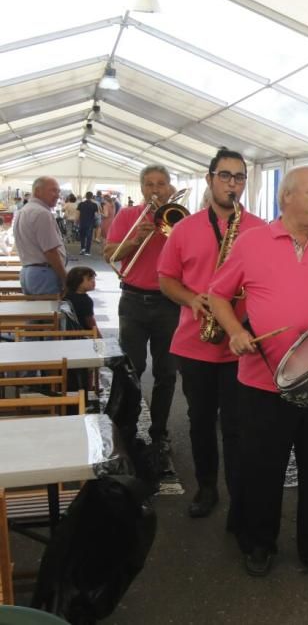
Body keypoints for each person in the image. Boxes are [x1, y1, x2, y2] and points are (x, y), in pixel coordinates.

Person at [207, 165, 308, 579]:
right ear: (287, 197)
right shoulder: (252, 242)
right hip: (262, 383)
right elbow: (218, 294)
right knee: (263, 468)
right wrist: (233, 332)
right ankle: (259, 544)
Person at [158, 149, 267, 523]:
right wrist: (192, 299)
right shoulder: (184, 228)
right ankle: (207, 487)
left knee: (238, 426)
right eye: (225, 176)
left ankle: (240, 495)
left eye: (239, 177)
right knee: (200, 420)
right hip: (195, 342)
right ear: (209, 179)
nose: (232, 184)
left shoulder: (260, 229)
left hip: (243, 344)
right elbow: (166, 279)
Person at [105, 166, 181, 464]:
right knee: (132, 368)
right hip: (133, 300)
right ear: (141, 188)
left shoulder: (178, 217)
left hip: (168, 302)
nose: (155, 189)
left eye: (161, 184)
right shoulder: (127, 216)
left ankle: (160, 433)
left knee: (166, 371)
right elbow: (110, 254)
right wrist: (137, 238)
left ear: (170, 188)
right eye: (149, 184)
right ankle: (129, 428)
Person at [12, 176, 67, 295]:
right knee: (47, 311)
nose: (57, 195)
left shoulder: (24, 210)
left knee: (35, 312)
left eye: (58, 191)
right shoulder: (42, 213)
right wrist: (65, 278)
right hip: (43, 273)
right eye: (53, 190)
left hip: (29, 272)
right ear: (38, 191)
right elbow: (50, 251)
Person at [64, 266, 101, 336]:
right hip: (83, 333)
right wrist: (98, 334)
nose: (93, 281)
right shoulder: (86, 301)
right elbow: (90, 321)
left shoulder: (66, 296)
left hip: (68, 331)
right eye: (89, 279)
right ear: (78, 282)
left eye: (94, 279)